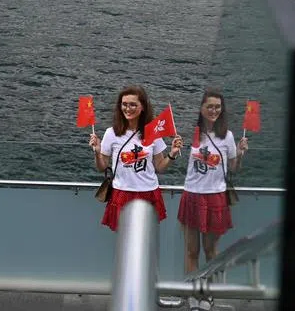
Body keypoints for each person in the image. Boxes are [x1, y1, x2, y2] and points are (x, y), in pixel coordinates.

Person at [177, 90, 248, 310]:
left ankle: (207, 294)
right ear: (201, 108)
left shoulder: (226, 136)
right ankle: (192, 294)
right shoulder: (192, 133)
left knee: (210, 251)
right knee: (191, 251)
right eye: (210, 106)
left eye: (218, 107)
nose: (214, 110)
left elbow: (233, 168)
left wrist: (240, 153)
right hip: (192, 194)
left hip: (215, 197)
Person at [88, 85, 183, 231]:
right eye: (124, 104)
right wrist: (97, 152)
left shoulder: (153, 132)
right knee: (125, 239)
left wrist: (173, 154)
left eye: (133, 104)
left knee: (144, 237)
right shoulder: (111, 133)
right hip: (122, 192)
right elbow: (102, 167)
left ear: (143, 107)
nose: (128, 108)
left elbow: (159, 166)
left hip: (149, 192)